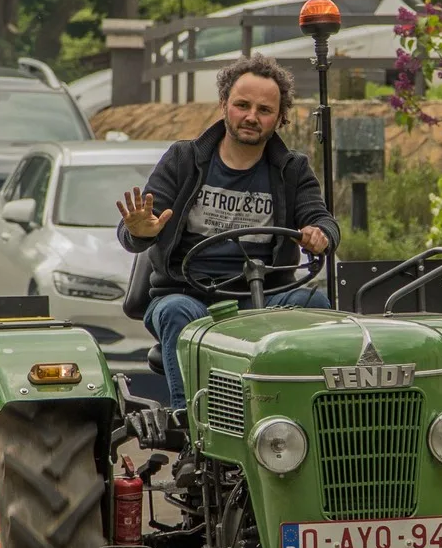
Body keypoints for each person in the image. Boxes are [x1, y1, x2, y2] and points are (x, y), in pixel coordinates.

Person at [116, 52, 340, 412]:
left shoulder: (292, 169)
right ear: (224, 104)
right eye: (242, 105)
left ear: (279, 118)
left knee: (313, 304)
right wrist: (141, 232)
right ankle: (190, 422)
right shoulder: (183, 159)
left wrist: (320, 234)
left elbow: (322, 220)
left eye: (264, 110)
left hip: (263, 297)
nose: (251, 117)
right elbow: (135, 232)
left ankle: (304, 414)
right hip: (187, 294)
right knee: (176, 310)